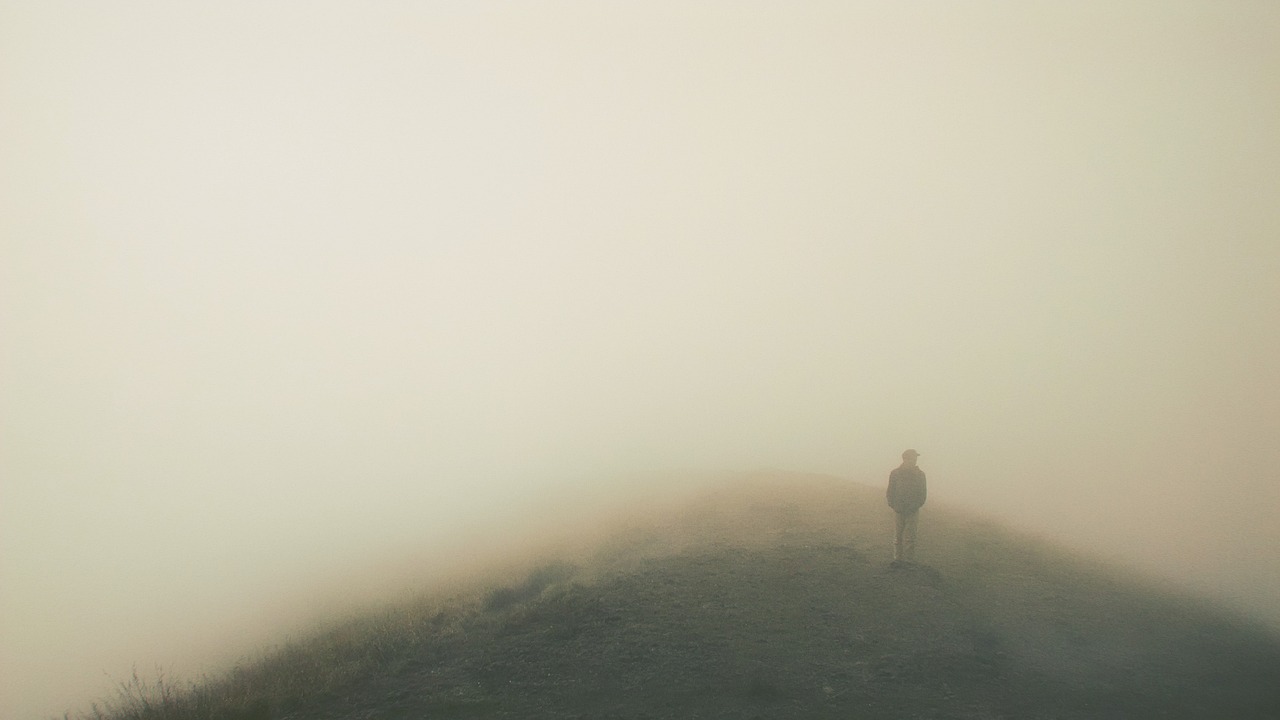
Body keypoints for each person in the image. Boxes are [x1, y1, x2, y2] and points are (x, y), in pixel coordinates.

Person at [886, 449, 927, 565]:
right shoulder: (895, 473)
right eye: (913, 458)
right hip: (898, 509)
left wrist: (915, 506)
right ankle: (897, 559)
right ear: (905, 459)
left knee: (910, 537)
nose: (915, 460)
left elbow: (922, 494)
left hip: (912, 510)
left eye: (915, 458)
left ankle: (909, 561)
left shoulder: (920, 475)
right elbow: (890, 490)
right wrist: (892, 504)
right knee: (898, 536)